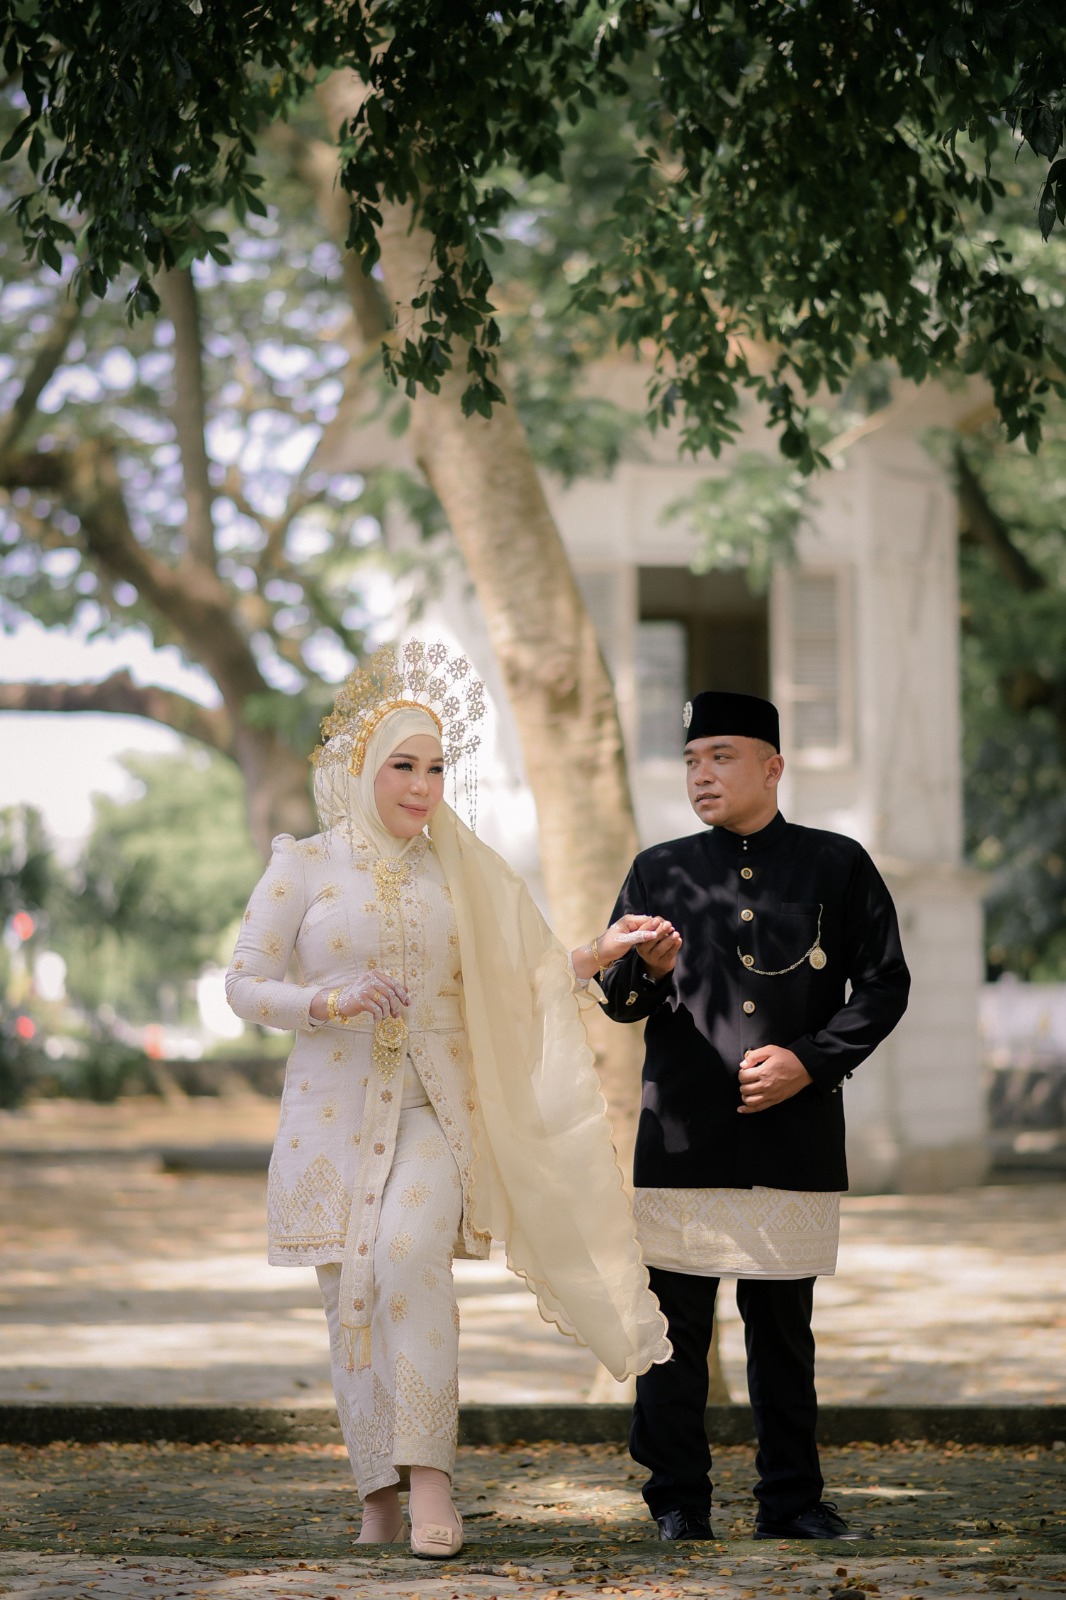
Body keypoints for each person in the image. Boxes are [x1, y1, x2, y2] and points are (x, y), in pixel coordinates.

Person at [225, 641, 670, 1559]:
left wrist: (594, 953)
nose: (423, 787)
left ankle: (431, 1482)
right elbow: (243, 984)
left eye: (436, 768)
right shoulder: (302, 866)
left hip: (435, 1110)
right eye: (403, 766)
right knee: (351, 1296)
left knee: (405, 1257)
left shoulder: (457, 870)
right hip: (329, 1120)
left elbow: (515, 978)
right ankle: (377, 1493)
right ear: (362, 768)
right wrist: (327, 1000)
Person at [598, 689, 910, 1543]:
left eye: (721, 757)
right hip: (683, 1135)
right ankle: (677, 1502)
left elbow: (885, 982)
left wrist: (811, 1059)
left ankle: (792, 1502)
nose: (701, 774)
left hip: (791, 1133)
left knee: (783, 1332)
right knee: (673, 1335)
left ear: (773, 768)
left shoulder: (836, 863)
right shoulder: (658, 869)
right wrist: (647, 970)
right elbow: (617, 1000)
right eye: (691, 760)